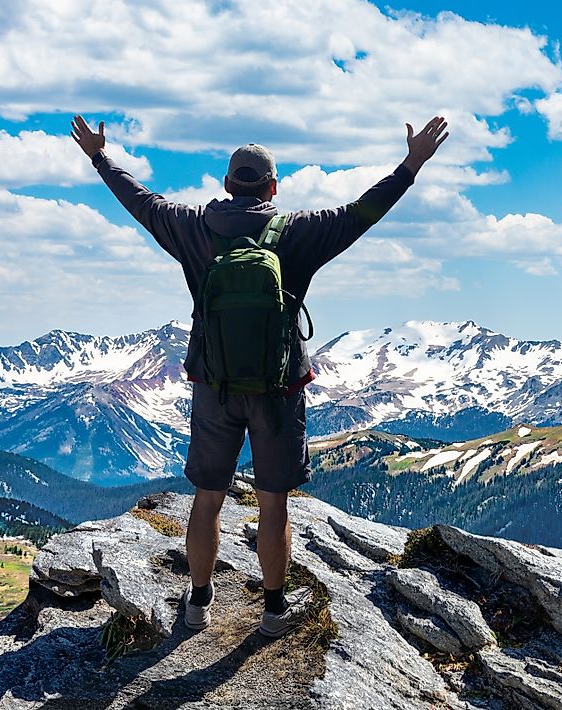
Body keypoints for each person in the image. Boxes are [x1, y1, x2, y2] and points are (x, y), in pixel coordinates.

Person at [70, 113, 448, 637]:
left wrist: (99, 157)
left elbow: (142, 202)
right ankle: (273, 612)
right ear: (273, 187)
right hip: (279, 389)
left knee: (207, 500)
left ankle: (198, 603)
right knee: (273, 504)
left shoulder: (193, 227)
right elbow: (363, 212)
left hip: (214, 387)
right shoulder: (300, 232)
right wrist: (410, 165)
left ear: (227, 184)